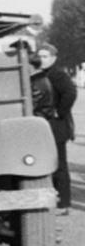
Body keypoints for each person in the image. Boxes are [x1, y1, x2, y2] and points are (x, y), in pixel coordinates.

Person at [38, 43, 77, 215]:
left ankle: (64, 204)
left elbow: (70, 93)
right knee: (48, 164)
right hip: (46, 126)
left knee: (59, 166)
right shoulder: (40, 74)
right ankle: (53, 200)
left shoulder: (58, 74)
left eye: (45, 56)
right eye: (39, 56)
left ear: (53, 58)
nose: (41, 59)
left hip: (57, 127)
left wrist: (59, 112)